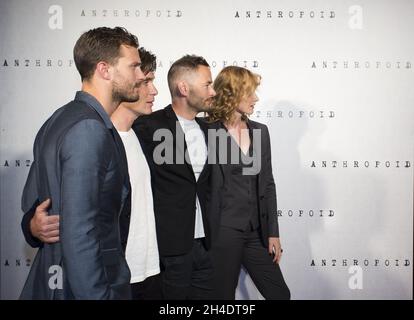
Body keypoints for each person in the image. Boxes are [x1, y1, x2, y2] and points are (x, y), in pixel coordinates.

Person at [21, 47, 163, 300]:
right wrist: (33, 226)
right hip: (104, 279)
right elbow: (42, 198)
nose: (149, 87)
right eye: (142, 76)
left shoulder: (147, 136)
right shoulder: (83, 129)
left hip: (146, 271)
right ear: (106, 71)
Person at [132, 55, 216, 299]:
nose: (212, 91)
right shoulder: (148, 126)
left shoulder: (210, 129)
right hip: (171, 247)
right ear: (183, 88)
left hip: (207, 244)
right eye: (207, 85)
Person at [206, 66, 290, 300]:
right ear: (232, 93)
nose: (256, 98)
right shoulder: (207, 131)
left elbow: (268, 184)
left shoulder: (260, 131)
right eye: (250, 93)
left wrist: (273, 232)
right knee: (222, 298)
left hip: (256, 233)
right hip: (222, 233)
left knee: (280, 294)